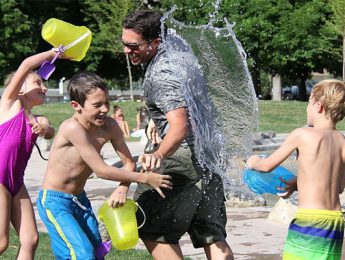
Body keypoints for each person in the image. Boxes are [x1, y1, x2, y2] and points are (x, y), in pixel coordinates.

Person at [122, 10, 233, 260]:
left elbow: (180, 126)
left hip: (182, 155)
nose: (127, 51)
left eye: (133, 46)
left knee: (148, 225)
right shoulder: (179, 52)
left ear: (155, 42)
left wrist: (159, 153)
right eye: (124, 44)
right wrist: (155, 120)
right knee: (212, 234)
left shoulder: (161, 74)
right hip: (209, 153)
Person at [36, 71, 172, 259]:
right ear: (76, 106)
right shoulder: (72, 128)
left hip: (80, 200)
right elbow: (101, 170)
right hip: (55, 201)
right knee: (82, 253)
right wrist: (144, 178)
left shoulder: (109, 126)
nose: (105, 109)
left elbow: (128, 162)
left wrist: (123, 188)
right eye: (97, 105)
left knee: (96, 252)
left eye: (107, 102)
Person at [247, 79, 345, 260]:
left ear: (318, 106)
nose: (307, 108)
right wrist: (298, 183)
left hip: (310, 220)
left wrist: (253, 162)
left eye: (308, 102)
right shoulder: (341, 141)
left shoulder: (302, 134)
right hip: (335, 222)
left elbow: (267, 166)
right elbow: (338, 187)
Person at [0, 51, 56, 258]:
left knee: (30, 239)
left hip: (16, 182)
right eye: (37, 83)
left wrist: (46, 130)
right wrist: (54, 53)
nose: (44, 87)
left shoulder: (39, 118)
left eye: (43, 84)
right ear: (20, 88)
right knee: (1, 242)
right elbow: (25, 65)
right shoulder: (9, 104)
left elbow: (50, 132)